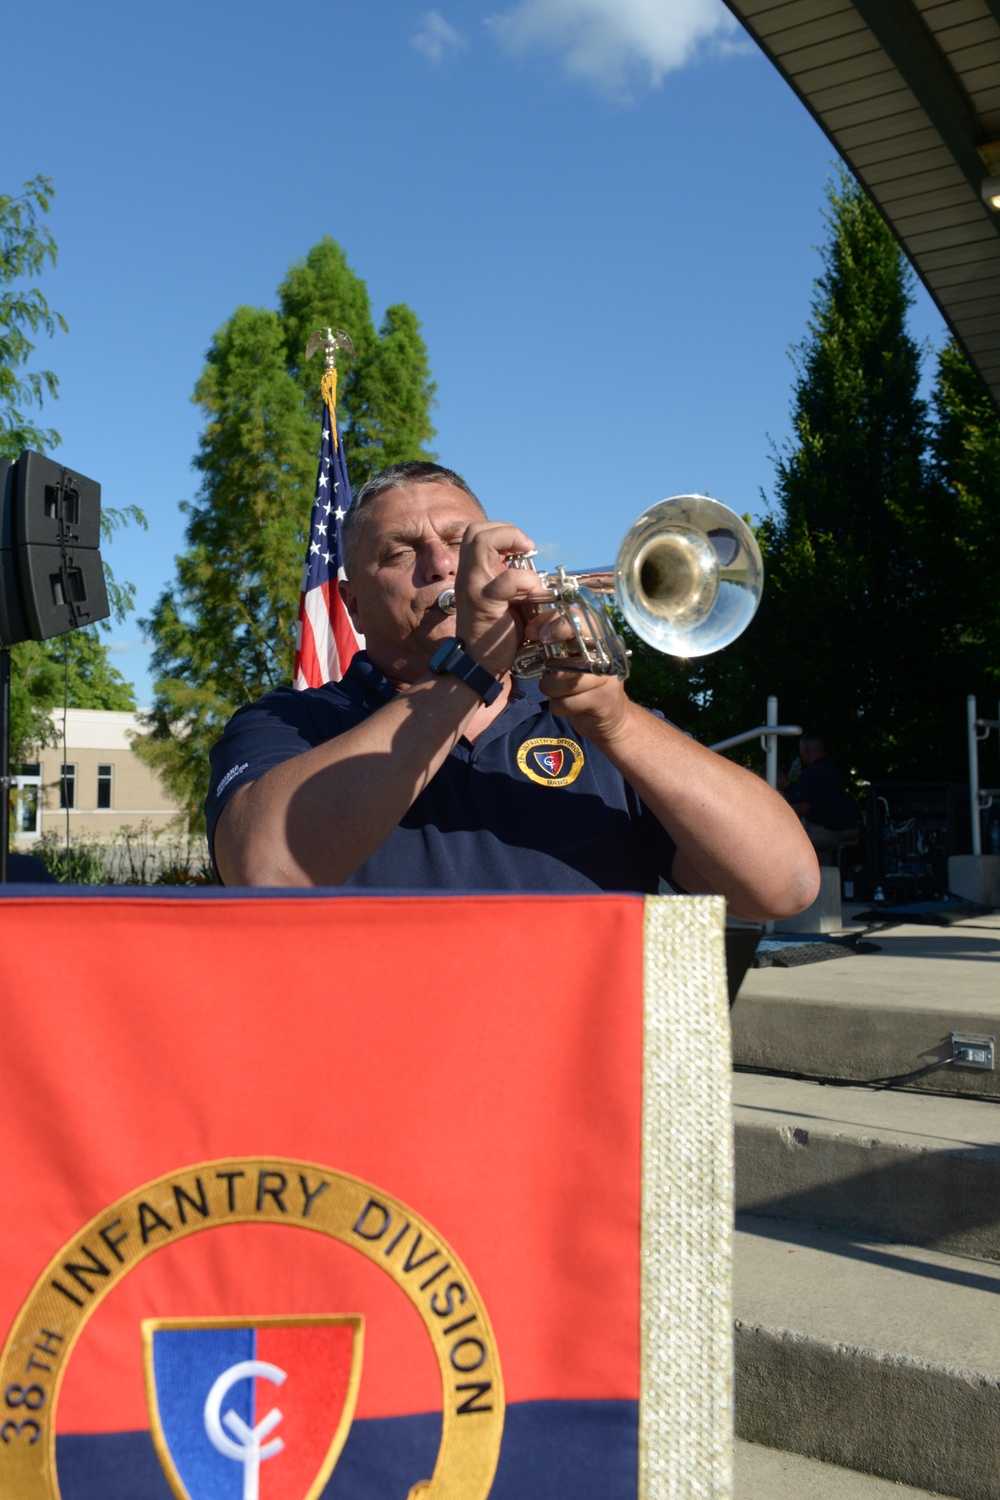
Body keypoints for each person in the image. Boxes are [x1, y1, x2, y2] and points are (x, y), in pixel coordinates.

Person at [207, 463, 819, 920]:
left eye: (460, 542)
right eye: (401, 551)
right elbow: (267, 868)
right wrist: (468, 674)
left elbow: (783, 887)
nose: (442, 566)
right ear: (354, 604)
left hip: (575, 1078)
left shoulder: (599, 723)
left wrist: (618, 724)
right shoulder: (291, 722)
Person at [779, 732, 860, 859]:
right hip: (834, 833)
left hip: (819, 832)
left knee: (779, 838)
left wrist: (779, 808)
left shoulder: (809, 774)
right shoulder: (834, 771)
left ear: (806, 751)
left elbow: (803, 808)